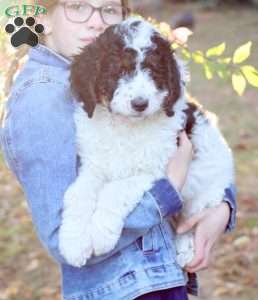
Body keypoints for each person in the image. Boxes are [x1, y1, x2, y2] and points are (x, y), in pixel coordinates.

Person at [0, 0, 237, 299]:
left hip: (156, 276)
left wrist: (222, 205)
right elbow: (66, 239)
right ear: (42, 17)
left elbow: (193, 133)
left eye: (109, 9)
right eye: (77, 6)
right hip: (124, 289)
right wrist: (168, 190)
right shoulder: (44, 99)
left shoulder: (117, 66)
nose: (96, 22)